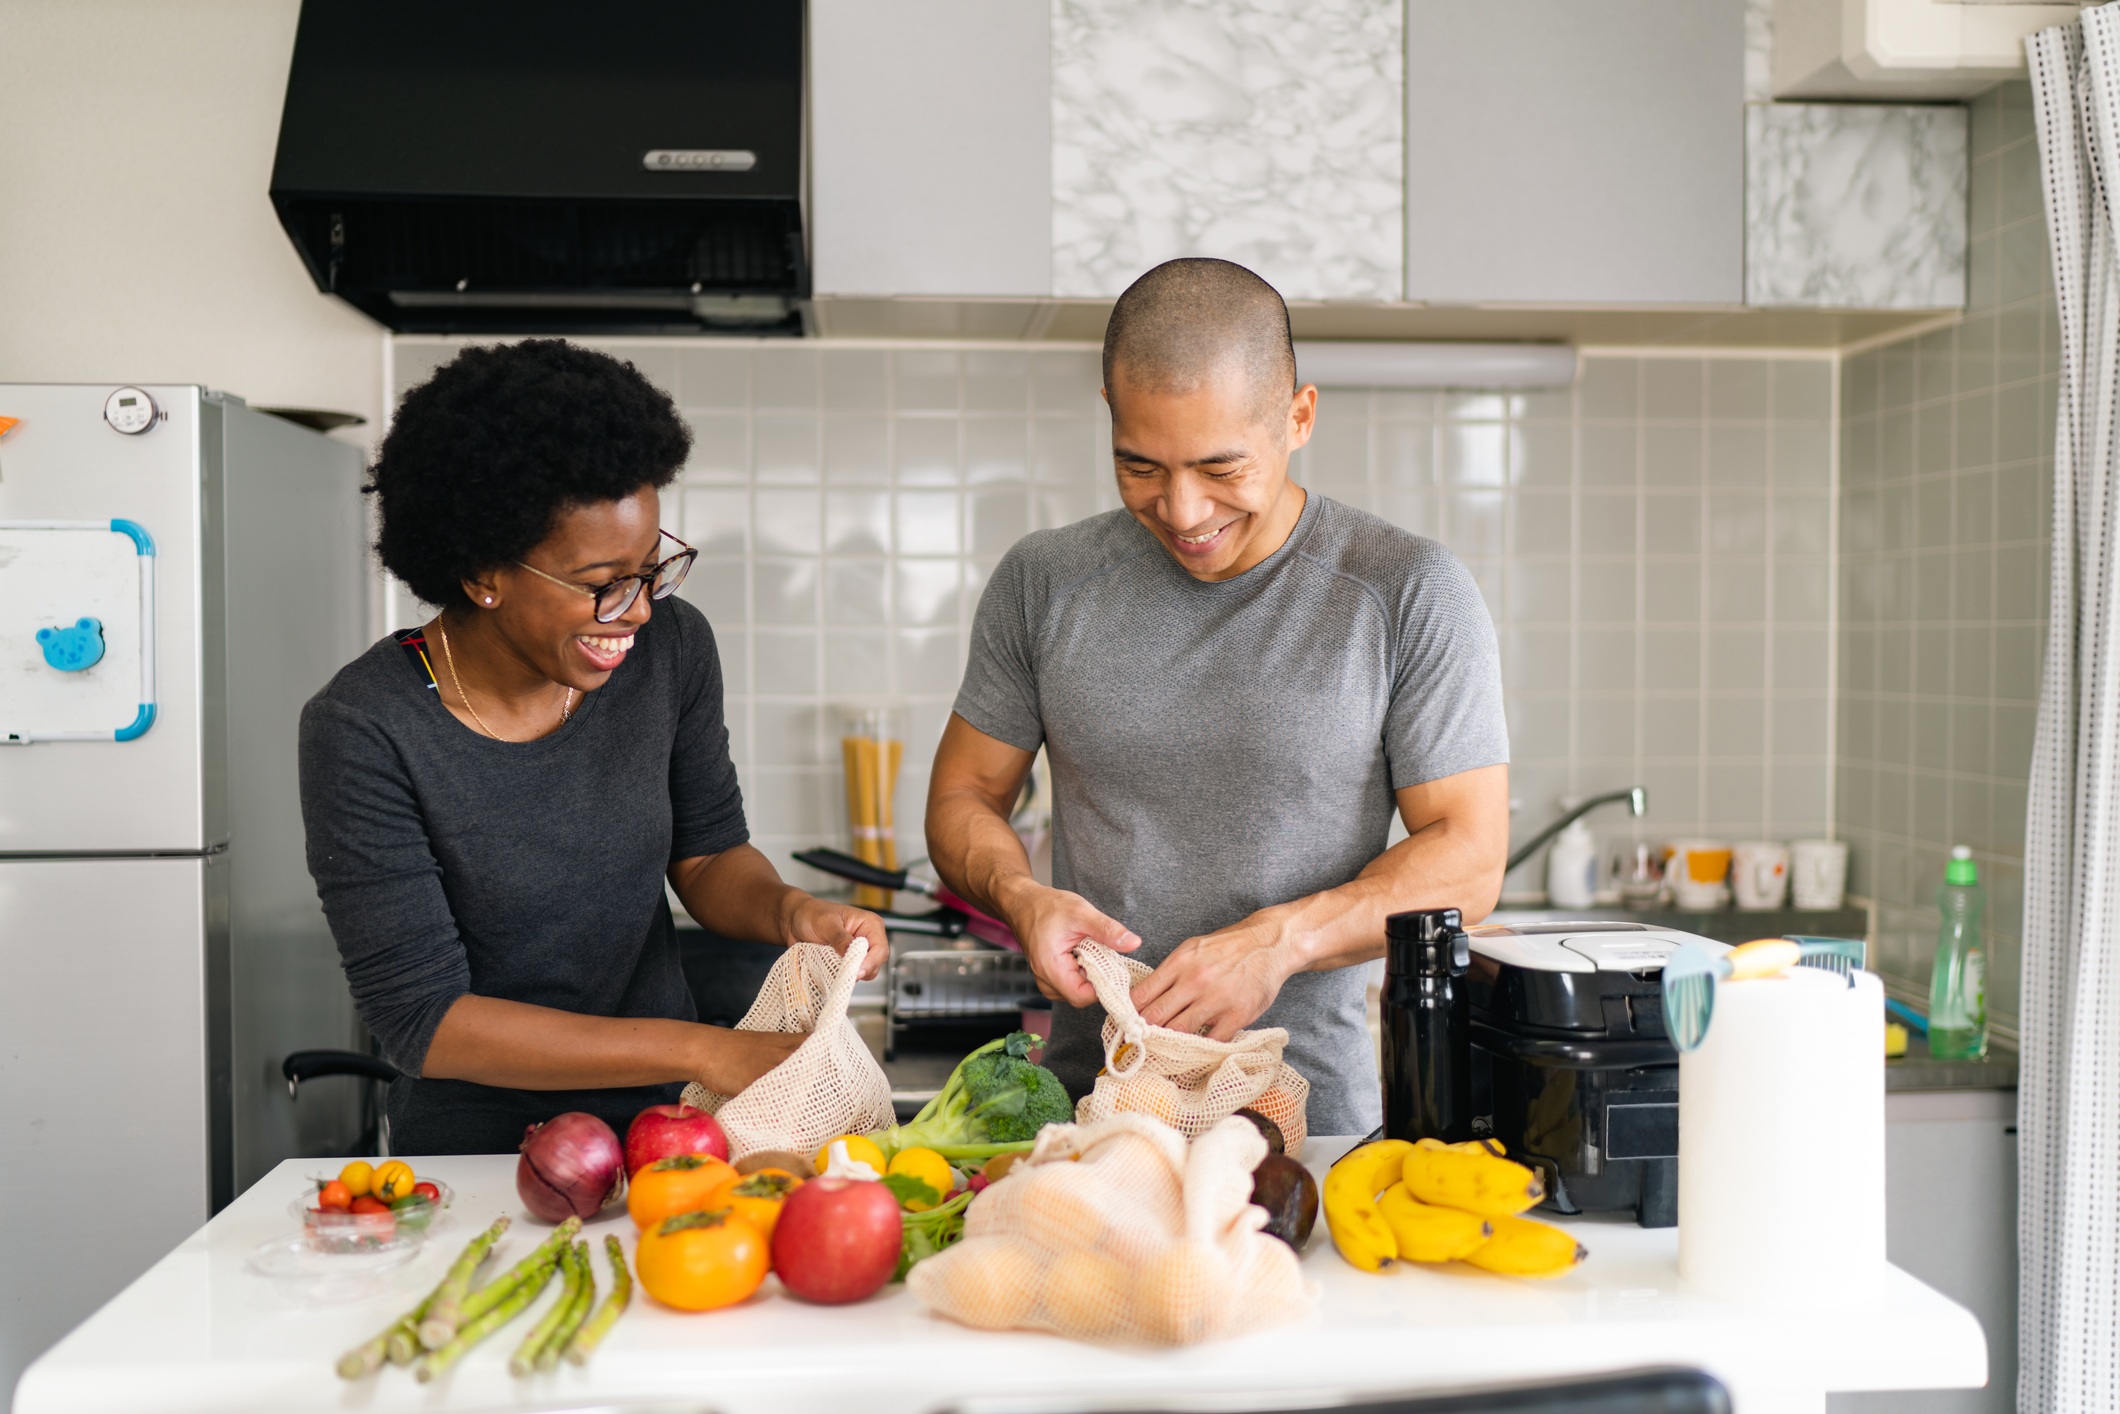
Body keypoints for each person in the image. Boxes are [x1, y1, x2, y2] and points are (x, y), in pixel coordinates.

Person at [925, 259, 1511, 1134]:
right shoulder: (1043, 581)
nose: (1183, 510)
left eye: (1219, 468)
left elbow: (1469, 856)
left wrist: (1281, 942)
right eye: (1140, 466)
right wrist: (1019, 894)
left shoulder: (1408, 591)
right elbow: (964, 794)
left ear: (1299, 417)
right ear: (1109, 413)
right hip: (1091, 1117)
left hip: (1306, 1127)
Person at [298, 340, 885, 1155]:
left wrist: (793, 911)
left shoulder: (671, 649)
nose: (638, 609)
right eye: (602, 583)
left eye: (651, 569)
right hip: (485, 1152)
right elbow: (425, 1021)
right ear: (483, 573)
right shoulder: (365, 728)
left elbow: (709, 856)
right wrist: (705, 1050)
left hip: (668, 1127)